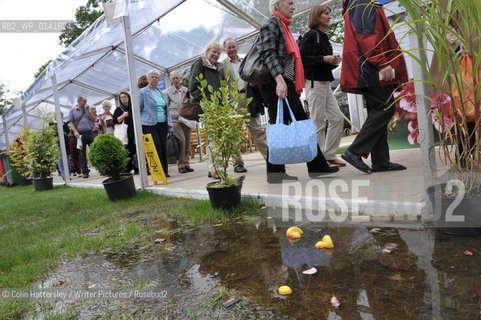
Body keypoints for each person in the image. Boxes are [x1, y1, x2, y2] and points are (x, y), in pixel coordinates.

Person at [257, 0, 338, 183]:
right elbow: (268, 53)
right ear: (277, 5)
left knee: (285, 124)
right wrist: (279, 80)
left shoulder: (282, 26)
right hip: (277, 83)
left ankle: (278, 173)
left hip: (284, 82)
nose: (294, 7)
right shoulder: (271, 24)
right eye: (290, 3)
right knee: (295, 122)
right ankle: (315, 167)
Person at [340, 0, 408, 173]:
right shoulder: (362, 2)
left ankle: (380, 160)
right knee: (384, 107)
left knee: (378, 109)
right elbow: (368, 36)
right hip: (369, 68)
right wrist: (381, 63)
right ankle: (354, 152)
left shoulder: (359, 2)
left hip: (366, 68)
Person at [299, 5, 346, 167]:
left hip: (324, 82)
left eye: (329, 14)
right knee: (318, 121)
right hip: (314, 83)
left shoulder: (323, 37)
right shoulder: (312, 35)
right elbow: (302, 58)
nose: (329, 16)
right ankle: (320, 161)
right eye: (326, 14)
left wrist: (333, 61)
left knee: (337, 118)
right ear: (317, 17)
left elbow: (322, 61)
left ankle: (329, 154)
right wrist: (324, 59)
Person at [223, 37, 269, 162]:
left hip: (248, 98)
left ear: (237, 47)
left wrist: (253, 82)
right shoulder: (222, 66)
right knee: (234, 133)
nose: (232, 49)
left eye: (233, 46)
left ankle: (270, 159)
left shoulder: (245, 61)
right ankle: (238, 163)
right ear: (225, 49)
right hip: (233, 101)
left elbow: (255, 75)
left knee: (258, 130)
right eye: (229, 47)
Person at [189, 42, 228, 179]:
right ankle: (214, 169)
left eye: (218, 53)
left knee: (218, 139)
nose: (216, 55)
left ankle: (215, 167)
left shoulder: (218, 67)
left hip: (219, 107)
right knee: (213, 139)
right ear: (207, 51)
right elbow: (193, 86)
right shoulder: (199, 63)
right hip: (209, 108)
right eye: (214, 52)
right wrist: (206, 102)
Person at [139, 70, 173, 177]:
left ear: (159, 80)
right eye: (152, 77)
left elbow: (166, 110)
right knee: (157, 146)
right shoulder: (143, 92)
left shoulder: (162, 94)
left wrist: (170, 126)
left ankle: (165, 171)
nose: (154, 79)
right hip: (149, 124)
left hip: (162, 124)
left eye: (156, 77)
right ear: (148, 78)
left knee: (163, 147)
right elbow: (138, 109)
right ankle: (158, 171)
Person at [163, 71, 194, 174]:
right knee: (182, 140)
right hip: (175, 121)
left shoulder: (186, 90)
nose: (175, 80)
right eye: (173, 79)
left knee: (187, 141)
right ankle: (181, 164)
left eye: (177, 78)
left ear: (180, 78)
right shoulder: (167, 92)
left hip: (186, 120)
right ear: (171, 80)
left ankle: (186, 164)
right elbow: (165, 108)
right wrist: (168, 123)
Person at [68, 96, 97, 178]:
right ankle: (85, 172)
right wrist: (75, 132)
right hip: (80, 135)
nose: (86, 103)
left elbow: (94, 119)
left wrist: (88, 111)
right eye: (84, 101)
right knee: (82, 154)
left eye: (86, 101)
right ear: (79, 101)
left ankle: (100, 167)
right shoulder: (73, 111)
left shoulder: (87, 110)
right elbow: (70, 122)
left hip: (89, 133)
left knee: (95, 149)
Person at [113, 92, 137, 174]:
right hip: (126, 134)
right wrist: (123, 116)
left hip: (135, 132)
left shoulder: (133, 107)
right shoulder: (119, 109)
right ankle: (128, 169)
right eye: (121, 97)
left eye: (125, 96)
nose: (123, 98)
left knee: (135, 150)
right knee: (128, 151)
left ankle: (137, 167)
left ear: (128, 97)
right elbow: (115, 121)